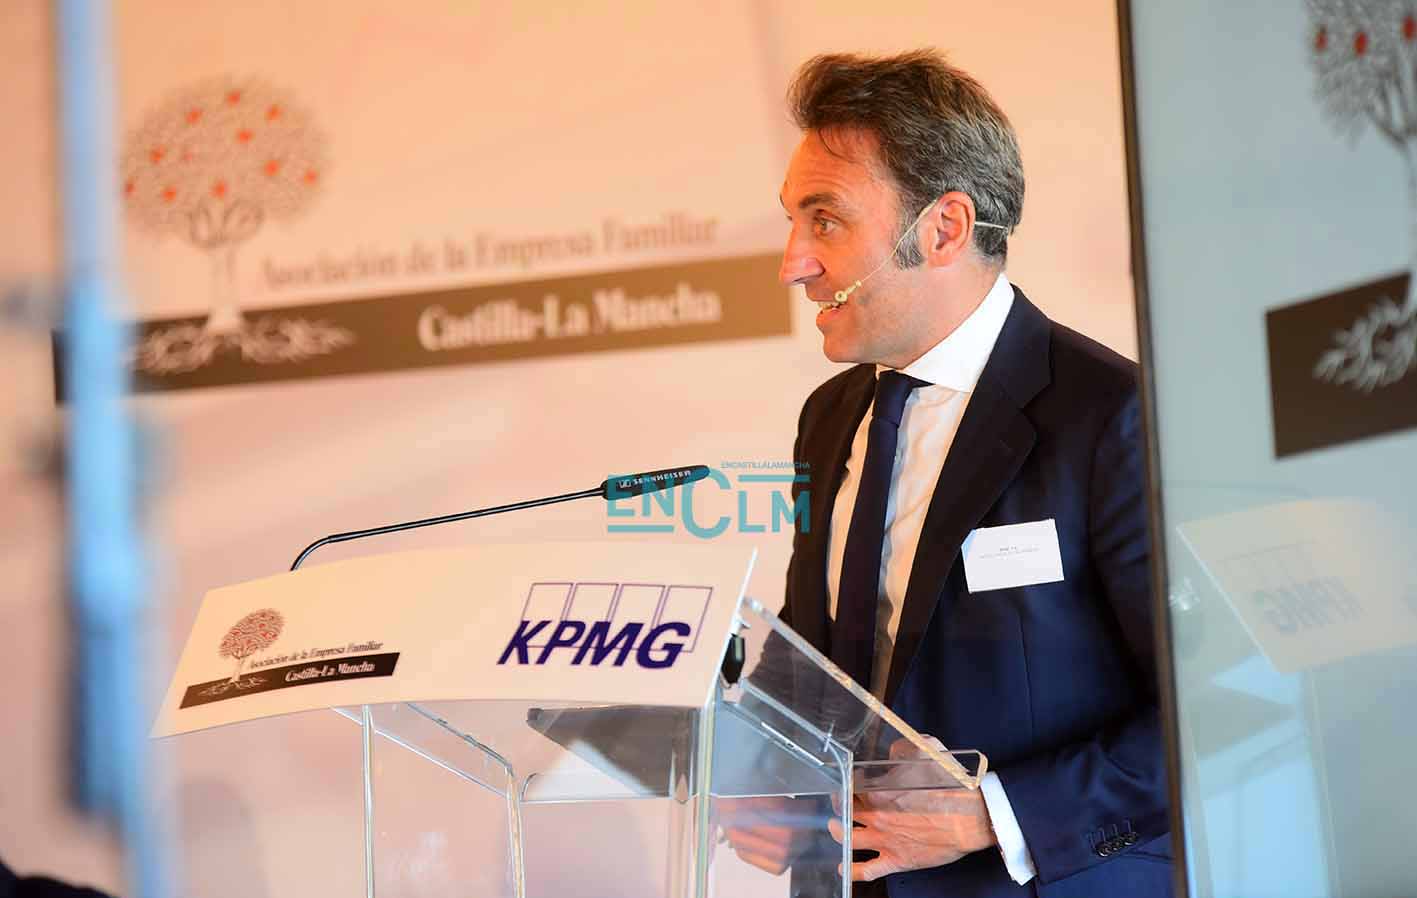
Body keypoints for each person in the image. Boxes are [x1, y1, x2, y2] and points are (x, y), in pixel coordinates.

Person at [726, 50, 1172, 897]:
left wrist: (992, 813)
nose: (792, 262)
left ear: (944, 228)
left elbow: (1211, 710)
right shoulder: (829, 416)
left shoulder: (1113, 417)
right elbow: (819, 652)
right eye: (793, 222)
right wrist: (762, 771)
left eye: (825, 221)